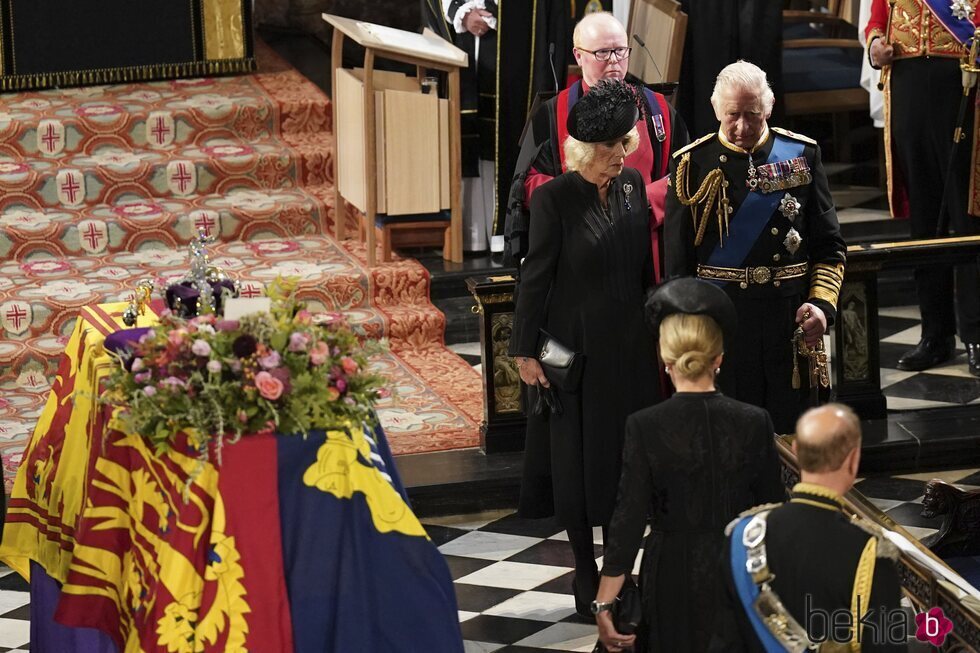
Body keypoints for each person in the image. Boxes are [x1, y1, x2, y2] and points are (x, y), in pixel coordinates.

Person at [508, 80, 661, 619]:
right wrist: (525, 352)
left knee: (629, 466)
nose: (622, 154)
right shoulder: (555, 198)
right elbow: (536, 279)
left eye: (625, 142)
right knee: (578, 466)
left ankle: (625, 569)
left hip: (632, 349)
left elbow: (646, 272)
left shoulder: (634, 187)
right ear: (582, 150)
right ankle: (585, 567)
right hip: (576, 356)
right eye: (611, 147)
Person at [593, 277, 785, 653]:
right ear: (719, 358)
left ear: (666, 360)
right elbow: (773, 513)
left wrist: (603, 603)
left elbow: (627, 521)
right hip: (740, 570)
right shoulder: (755, 420)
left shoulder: (644, 426)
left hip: (671, 577)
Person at [664, 60, 847, 434]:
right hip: (724, 322)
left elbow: (829, 247)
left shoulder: (802, 155)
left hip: (789, 317)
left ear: (769, 106)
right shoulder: (691, 164)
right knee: (731, 436)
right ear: (716, 109)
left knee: (795, 434)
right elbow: (677, 269)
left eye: (753, 114)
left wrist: (822, 306)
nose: (743, 126)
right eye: (733, 115)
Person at [505, 10, 689, 277]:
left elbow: (685, 172)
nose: (614, 61)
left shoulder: (658, 109)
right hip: (578, 246)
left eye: (620, 51)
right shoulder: (552, 115)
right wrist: (587, 200)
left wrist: (643, 200)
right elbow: (529, 183)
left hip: (647, 243)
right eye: (602, 53)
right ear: (579, 56)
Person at [711, 404, 905, 651]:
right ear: (854, 460)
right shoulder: (868, 552)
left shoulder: (744, 533)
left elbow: (723, 642)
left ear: (796, 451)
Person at [867, 0, 980, 376]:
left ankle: (976, 334)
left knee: (968, 218)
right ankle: (935, 334)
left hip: (962, 81)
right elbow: (877, 20)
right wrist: (874, 46)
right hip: (909, 84)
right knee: (924, 221)